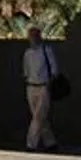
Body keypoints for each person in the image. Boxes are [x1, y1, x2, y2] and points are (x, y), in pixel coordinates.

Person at [20, 21, 60, 151]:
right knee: (39, 117)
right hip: (31, 86)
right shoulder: (27, 53)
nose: (32, 38)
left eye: (34, 35)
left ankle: (30, 144)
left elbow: (54, 70)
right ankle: (50, 142)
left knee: (38, 116)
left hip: (43, 86)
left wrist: (49, 83)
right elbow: (26, 71)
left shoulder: (46, 51)